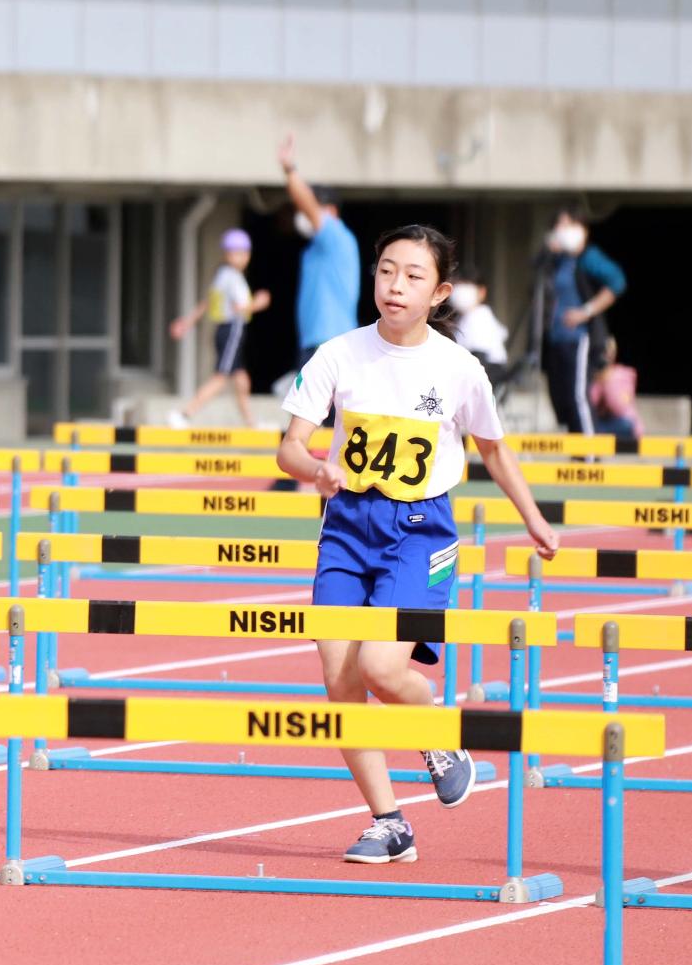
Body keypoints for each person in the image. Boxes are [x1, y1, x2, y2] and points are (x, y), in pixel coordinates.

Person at [277, 224, 557, 866]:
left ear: (439, 292)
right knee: (339, 680)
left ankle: (440, 736)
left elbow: (493, 451)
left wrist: (534, 520)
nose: (395, 286)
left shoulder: (458, 369)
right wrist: (316, 468)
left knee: (381, 666)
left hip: (419, 530)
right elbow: (289, 447)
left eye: (412, 276)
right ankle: (388, 822)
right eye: (385, 271)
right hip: (347, 527)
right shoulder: (338, 355)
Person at [279, 135, 361, 404]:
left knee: (322, 421)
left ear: (332, 211)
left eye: (313, 207)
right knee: (311, 422)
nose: (303, 213)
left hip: (330, 341)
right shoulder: (314, 248)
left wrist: (290, 170)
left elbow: (307, 205)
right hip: (314, 343)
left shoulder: (336, 236)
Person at [531, 206, 626, 436]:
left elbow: (617, 281)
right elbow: (535, 274)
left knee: (577, 396)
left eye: (568, 225)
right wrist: (548, 252)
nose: (562, 231)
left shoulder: (587, 257)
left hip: (579, 337)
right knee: (560, 398)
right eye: (559, 225)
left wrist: (586, 310)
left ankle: (589, 454)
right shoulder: (557, 260)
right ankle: (577, 451)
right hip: (556, 338)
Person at [167, 228, 271, 428]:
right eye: (236, 253)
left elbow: (206, 303)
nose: (241, 257)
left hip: (226, 330)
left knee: (241, 378)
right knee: (221, 377)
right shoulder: (233, 278)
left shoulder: (221, 275)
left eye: (244, 253)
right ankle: (185, 414)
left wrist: (187, 322)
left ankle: (250, 422)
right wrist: (260, 302)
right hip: (232, 330)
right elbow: (240, 307)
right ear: (227, 254)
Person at [449, 267, 509, 373]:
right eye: (458, 286)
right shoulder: (464, 318)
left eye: (466, 286)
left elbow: (480, 357)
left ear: (482, 292)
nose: (460, 293)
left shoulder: (480, 318)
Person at [589, 338, 643, 454]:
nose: (605, 355)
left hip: (622, 423)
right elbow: (590, 405)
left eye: (608, 351)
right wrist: (597, 383)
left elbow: (620, 408)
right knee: (589, 426)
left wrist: (608, 382)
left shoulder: (625, 374)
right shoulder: (593, 377)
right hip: (602, 422)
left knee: (625, 425)